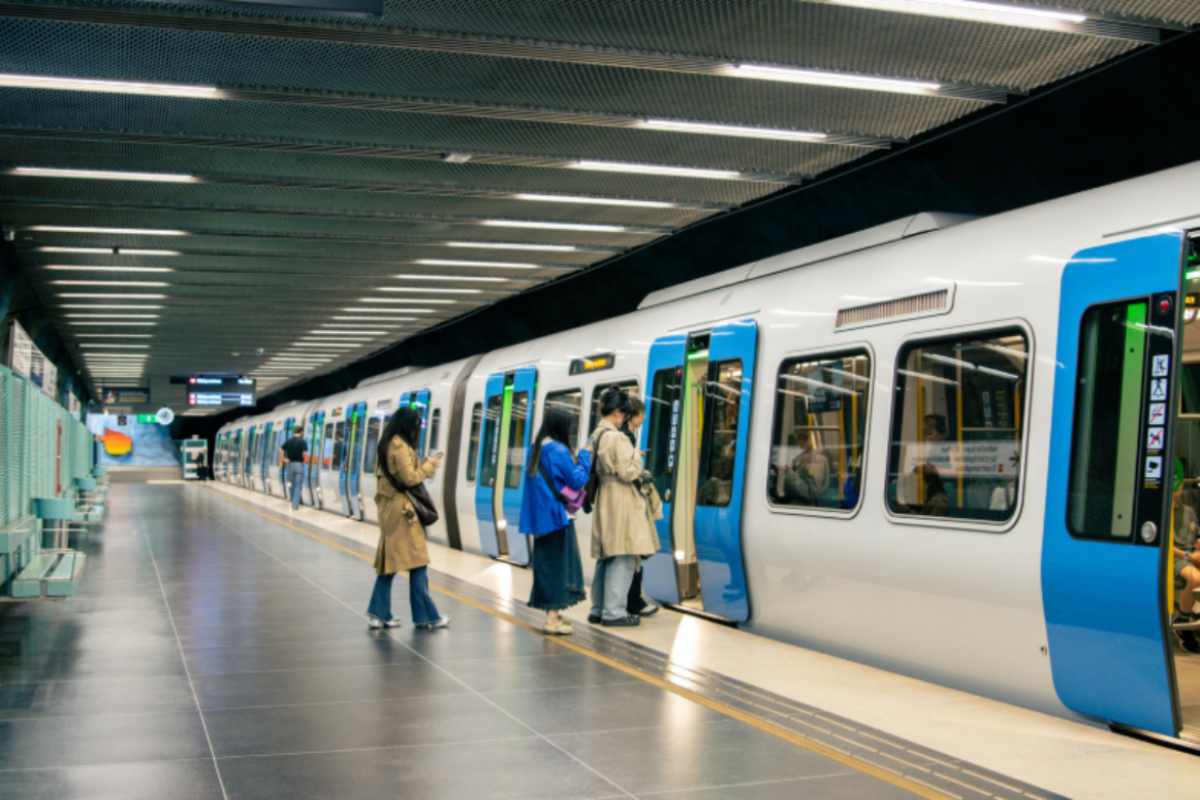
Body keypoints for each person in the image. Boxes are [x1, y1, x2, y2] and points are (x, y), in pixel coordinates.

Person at [367, 407, 448, 631]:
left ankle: (378, 614)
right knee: (418, 562)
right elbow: (410, 478)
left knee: (390, 563)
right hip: (403, 512)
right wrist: (430, 465)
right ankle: (426, 617)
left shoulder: (387, 443)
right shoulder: (399, 446)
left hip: (389, 509)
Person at [587, 387, 660, 627]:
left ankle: (598, 608)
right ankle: (614, 612)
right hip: (621, 499)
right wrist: (637, 456)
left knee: (607, 556)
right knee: (624, 554)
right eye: (624, 414)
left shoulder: (597, 434)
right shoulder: (616, 437)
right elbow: (628, 472)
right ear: (618, 412)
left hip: (606, 497)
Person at [519, 407, 592, 635]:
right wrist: (585, 456)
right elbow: (577, 480)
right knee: (559, 567)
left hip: (541, 519)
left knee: (546, 566)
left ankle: (554, 614)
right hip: (557, 518)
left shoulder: (535, 448)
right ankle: (552, 620)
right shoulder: (558, 450)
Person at [620, 396, 661, 618]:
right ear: (633, 415)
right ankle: (633, 601)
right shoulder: (624, 436)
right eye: (642, 414)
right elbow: (627, 470)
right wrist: (638, 460)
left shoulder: (627, 435)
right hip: (631, 502)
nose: (644, 418)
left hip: (629, 501)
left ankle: (632, 600)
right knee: (635, 553)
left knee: (635, 555)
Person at [280, 426, 307, 510]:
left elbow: (281, 449)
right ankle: (295, 505)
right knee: (298, 485)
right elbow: (304, 454)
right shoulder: (303, 441)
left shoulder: (288, 441)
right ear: (301, 432)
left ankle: (292, 500)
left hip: (290, 464)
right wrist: (304, 461)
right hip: (299, 465)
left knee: (291, 484)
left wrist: (283, 459)